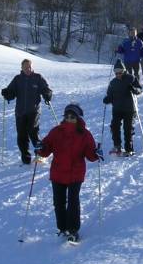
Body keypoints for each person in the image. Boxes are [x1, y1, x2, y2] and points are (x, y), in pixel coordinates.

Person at [36, 103, 101, 244]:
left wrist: (96, 154)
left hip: (75, 174)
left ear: (78, 118)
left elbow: (90, 154)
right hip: (58, 173)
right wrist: (41, 148)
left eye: (73, 116)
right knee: (58, 203)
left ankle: (73, 230)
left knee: (73, 202)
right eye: (67, 116)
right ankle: (62, 228)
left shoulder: (84, 134)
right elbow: (46, 150)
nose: (69, 119)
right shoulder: (56, 132)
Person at [1, 59, 53, 164]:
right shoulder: (18, 79)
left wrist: (47, 94)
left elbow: (46, 89)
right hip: (20, 112)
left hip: (34, 110)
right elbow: (11, 93)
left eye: (29, 67)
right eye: (25, 67)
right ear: (22, 68)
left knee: (33, 131)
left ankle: (40, 154)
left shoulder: (38, 78)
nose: (28, 69)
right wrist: (7, 94)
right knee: (21, 134)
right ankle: (25, 158)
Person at [103, 59, 142, 156]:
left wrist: (134, 89)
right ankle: (117, 146)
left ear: (124, 71)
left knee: (127, 128)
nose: (118, 75)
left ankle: (129, 149)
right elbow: (110, 94)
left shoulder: (131, 78)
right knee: (114, 126)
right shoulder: (113, 82)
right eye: (116, 73)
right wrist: (107, 99)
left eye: (120, 72)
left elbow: (139, 89)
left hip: (129, 109)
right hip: (117, 109)